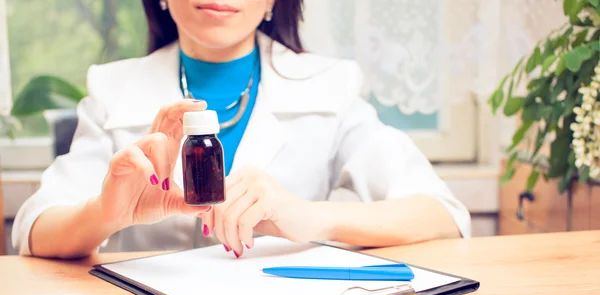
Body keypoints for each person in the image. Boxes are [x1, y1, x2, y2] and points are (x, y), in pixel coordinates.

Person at [12, 0, 471, 260]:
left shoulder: (331, 86)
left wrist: (311, 217)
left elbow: (445, 216)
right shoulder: (112, 89)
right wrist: (104, 215)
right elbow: (33, 230)